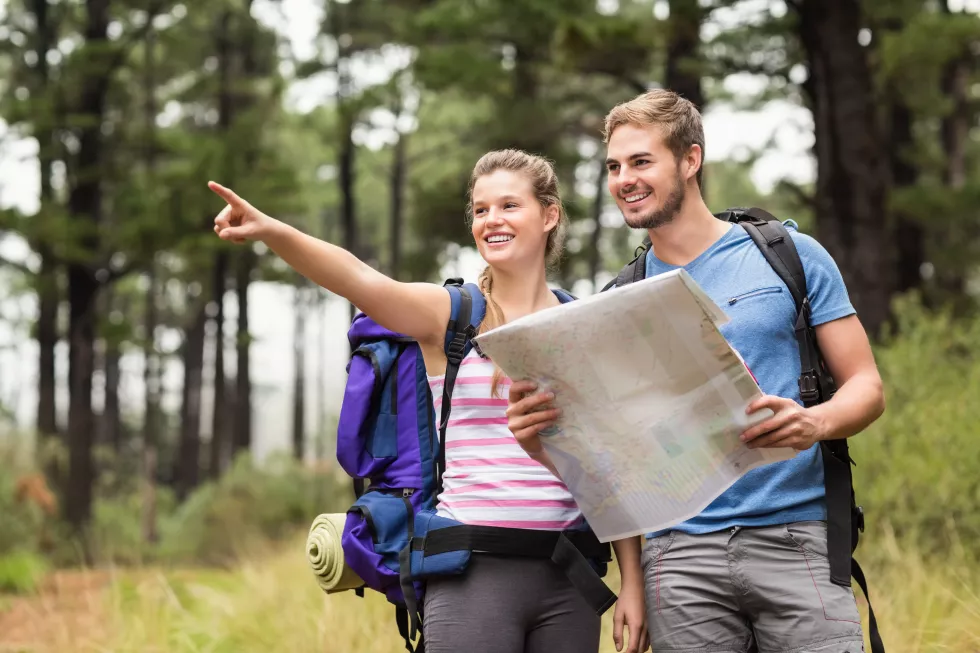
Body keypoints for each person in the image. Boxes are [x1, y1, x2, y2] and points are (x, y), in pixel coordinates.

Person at [209, 148, 649, 653]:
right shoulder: (451, 315)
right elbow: (357, 278)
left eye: (509, 206)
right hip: (471, 572)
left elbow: (609, 469)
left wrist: (632, 584)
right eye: (481, 210)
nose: (492, 221)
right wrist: (272, 231)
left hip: (569, 577)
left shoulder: (581, 326)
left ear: (549, 215)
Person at [506, 90, 886, 653]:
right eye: (614, 166)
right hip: (676, 560)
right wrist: (543, 443)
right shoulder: (618, 300)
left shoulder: (790, 254)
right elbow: (614, 465)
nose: (624, 180)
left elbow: (868, 387)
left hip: (795, 538)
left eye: (641, 162)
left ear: (690, 159)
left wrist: (815, 422)